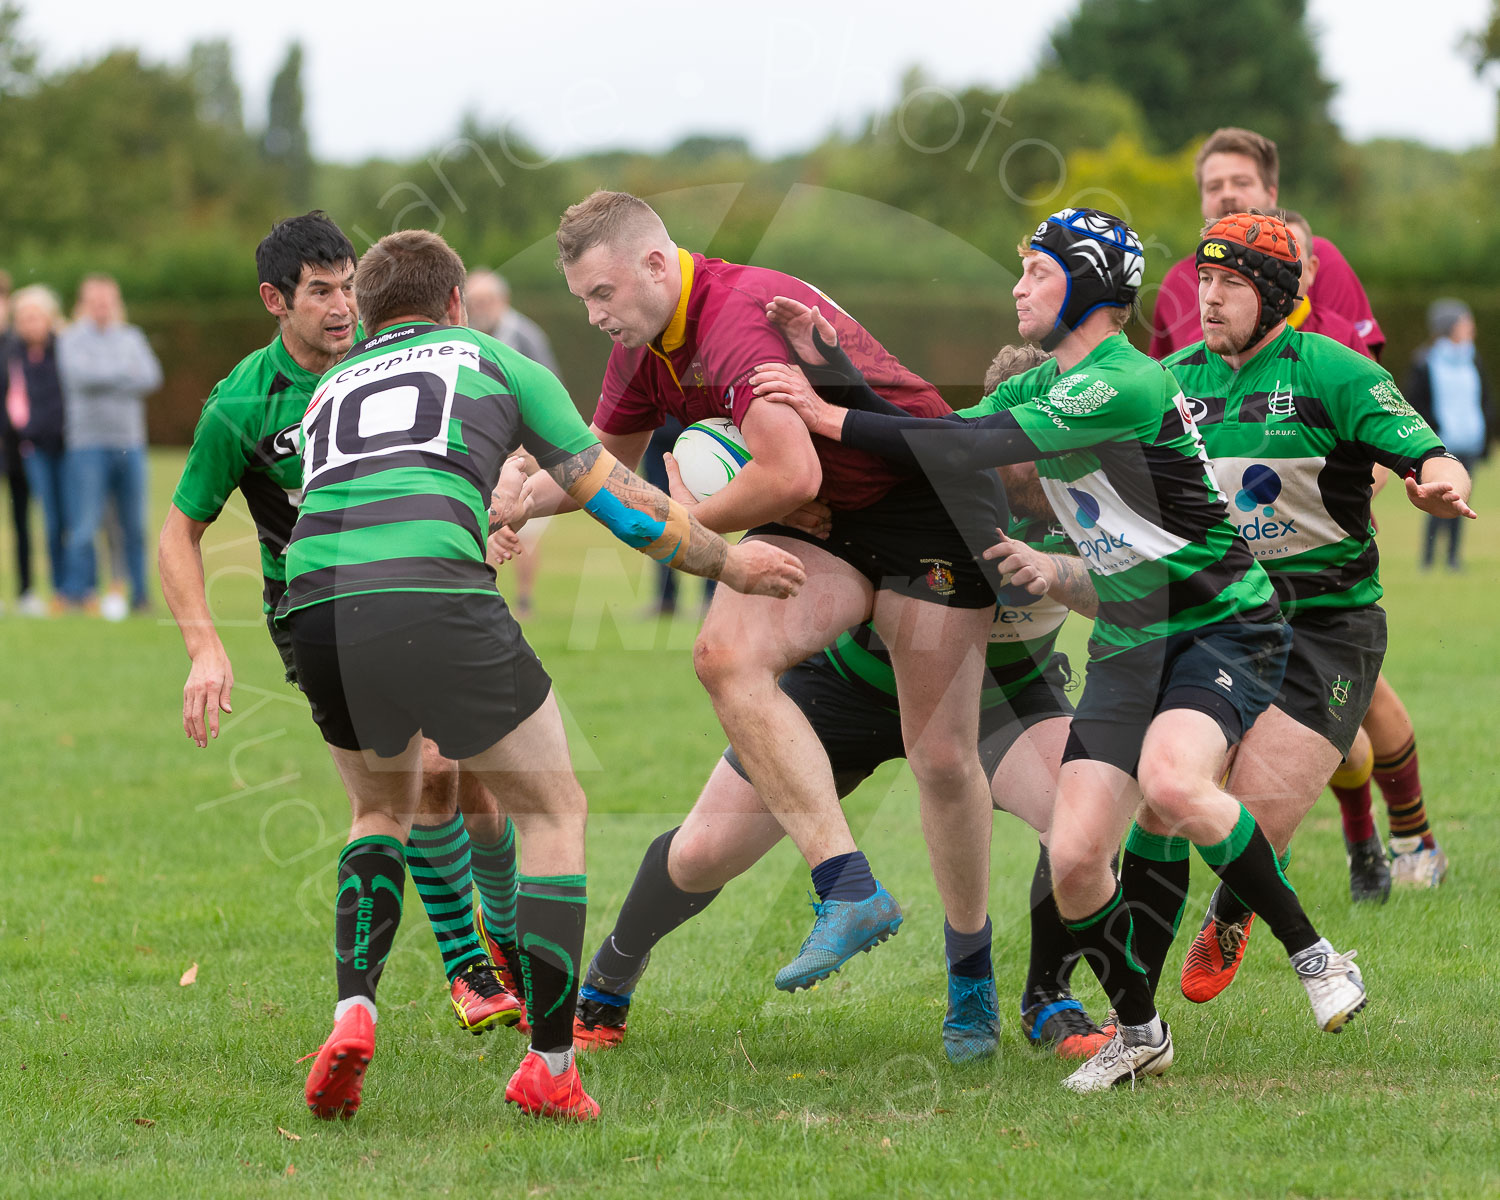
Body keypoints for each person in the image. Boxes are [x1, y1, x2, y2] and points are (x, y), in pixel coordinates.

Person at [756, 206, 1368, 1094]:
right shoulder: (1045, 382)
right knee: (1078, 859)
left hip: (1218, 623)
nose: (1017, 286)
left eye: (1035, 271)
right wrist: (836, 365)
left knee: (1171, 782)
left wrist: (820, 409)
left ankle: (1318, 958)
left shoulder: (1123, 380)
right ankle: (1140, 1034)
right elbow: (940, 431)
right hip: (1129, 639)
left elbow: (969, 442)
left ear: (1085, 282)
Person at [277, 228, 803, 1123]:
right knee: (554, 809)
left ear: (366, 312)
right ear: (455, 305)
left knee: (378, 811)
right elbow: (623, 502)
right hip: (433, 592)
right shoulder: (493, 357)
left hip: (313, 602)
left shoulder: (332, 383)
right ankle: (551, 1066)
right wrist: (731, 564)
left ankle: (354, 1012)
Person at [571, 344, 1112, 1066]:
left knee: (1083, 819)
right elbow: (820, 493)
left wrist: (1059, 571)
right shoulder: (932, 471)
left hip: (1001, 694)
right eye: (1027, 443)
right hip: (853, 686)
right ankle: (611, 974)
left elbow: (1142, 591)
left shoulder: (1098, 492)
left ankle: (1043, 994)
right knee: (703, 851)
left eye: (1063, 439)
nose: (1047, 459)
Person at [537, 190, 1005, 1001]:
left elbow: (792, 474)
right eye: (584, 301)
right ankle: (848, 887)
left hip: (928, 509)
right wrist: (503, 501)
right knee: (723, 655)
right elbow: (594, 468)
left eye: (601, 295)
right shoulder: (643, 348)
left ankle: (972, 978)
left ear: (656, 263)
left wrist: (684, 524)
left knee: (940, 757)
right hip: (828, 520)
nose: (594, 317)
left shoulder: (735, 317)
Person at [160, 213, 530, 1050]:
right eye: (320, 292)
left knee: (471, 786)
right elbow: (178, 529)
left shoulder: (390, 358)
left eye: (347, 286)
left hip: (430, 585)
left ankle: (502, 939)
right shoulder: (244, 404)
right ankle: (472, 964)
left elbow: (482, 446)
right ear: (273, 301)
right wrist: (204, 650)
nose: (341, 307)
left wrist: (492, 509)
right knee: (425, 773)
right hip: (322, 611)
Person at [1159, 213, 1474, 1006]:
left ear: (1272, 297)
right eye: (1205, 280)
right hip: (1223, 620)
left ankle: (1235, 911)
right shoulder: (1174, 381)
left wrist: (1443, 483)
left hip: (1329, 626)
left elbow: (1428, 452)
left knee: (1259, 812)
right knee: (1166, 793)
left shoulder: (1334, 372)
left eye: (1231, 284)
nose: (1211, 298)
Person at [1149, 128, 1384, 361]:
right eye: (1214, 187)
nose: (1227, 194)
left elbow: (1363, 373)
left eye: (1241, 183)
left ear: (1271, 195)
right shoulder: (1176, 282)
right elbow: (1162, 382)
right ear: (1202, 201)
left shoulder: (1318, 257)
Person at [56, 274, 161, 612]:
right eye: (95, 302)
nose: (102, 308)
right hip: (87, 443)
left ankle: (139, 595)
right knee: (85, 523)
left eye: (107, 301)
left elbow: (150, 376)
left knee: (134, 524)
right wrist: (123, 374)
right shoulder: (70, 338)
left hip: (130, 442)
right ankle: (78, 593)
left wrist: (109, 374)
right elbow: (79, 377)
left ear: (116, 303)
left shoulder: (132, 336)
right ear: (83, 304)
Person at [1406, 299, 1491, 570]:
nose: (1471, 328)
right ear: (1449, 327)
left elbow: (1484, 399)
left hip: (1469, 441)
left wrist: (1485, 435)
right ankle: (1429, 558)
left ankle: (1453, 558)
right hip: (1440, 446)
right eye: (1465, 322)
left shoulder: (1472, 358)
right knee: (1438, 501)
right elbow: (1415, 404)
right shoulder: (1425, 362)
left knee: (1462, 502)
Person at [4, 286, 68, 613]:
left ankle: (72, 589)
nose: (30, 324)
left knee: (69, 518)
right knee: (47, 519)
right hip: (30, 448)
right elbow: (15, 402)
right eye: (24, 318)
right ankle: (44, 589)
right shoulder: (12, 354)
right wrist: (26, 430)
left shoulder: (65, 350)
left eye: (36, 317)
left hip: (66, 446)